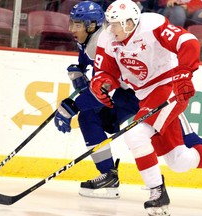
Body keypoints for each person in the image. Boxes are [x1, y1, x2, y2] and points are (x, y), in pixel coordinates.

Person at [89, 0, 202, 215]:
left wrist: (184, 73)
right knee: (179, 161)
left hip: (170, 87)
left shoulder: (152, 25)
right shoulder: (108, 38)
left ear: (130, 22)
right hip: (144, 96)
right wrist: (101, 83)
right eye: (109, 24)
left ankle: (157, 193)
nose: (111, 29)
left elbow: (188, 42)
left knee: (135, 135)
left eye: (116, 24)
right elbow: (104, 71)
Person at [54, 1, 140, 199]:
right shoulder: (89, 37)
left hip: (139, 94)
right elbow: (88, 59)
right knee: (88, 118)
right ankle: (108, 175)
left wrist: (72, 106)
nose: (71, 29)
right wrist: (80, 70)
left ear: (91, 25)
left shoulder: (101, 42)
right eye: (71, 23)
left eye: (76, 24)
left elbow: (104, 91)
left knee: (179, 147)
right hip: (126, 93)